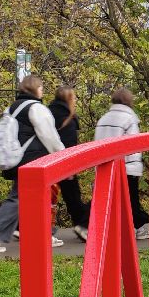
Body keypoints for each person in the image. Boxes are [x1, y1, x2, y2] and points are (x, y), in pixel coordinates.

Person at [0, 75, 65, 253]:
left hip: (16, 157)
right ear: (35, 89)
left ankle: (41, 234)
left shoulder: (11, 107)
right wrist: (63, 155)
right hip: (33, 160)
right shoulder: (37, 108)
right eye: (41, 87)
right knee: (19, 198)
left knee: (34, 198)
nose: (42, 90)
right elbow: (49, 136)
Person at [95, 87, 149, 239]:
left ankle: (113, 229)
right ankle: (135, 228)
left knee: (111, 200)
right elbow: (133, 145)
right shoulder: (129, 119)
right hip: (127, 167)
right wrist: (135, 166)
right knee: (130, 199)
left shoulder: (104, 119)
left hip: (105, 167)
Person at [49, 87, 91, 241]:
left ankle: (21, 226)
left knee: (52, 197)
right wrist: (71, 166)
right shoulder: (68, 118)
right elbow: (69, 143)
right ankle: (83, 225)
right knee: (72, 196)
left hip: (46, 160)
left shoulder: (48, 112)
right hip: (64, 162)